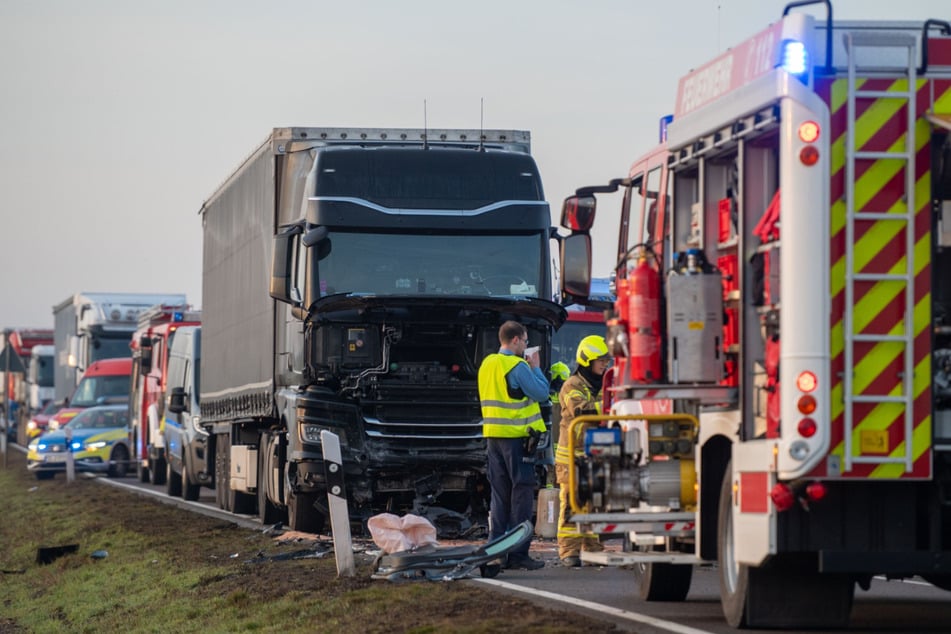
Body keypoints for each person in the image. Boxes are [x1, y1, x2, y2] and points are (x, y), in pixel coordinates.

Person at [478, 320, 550, 570]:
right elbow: (542, 393)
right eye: (526, 341)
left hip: (493, 438)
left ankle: (496, 549)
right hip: (516, 440)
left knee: (500, 496)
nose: (526, 346)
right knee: (521, 494)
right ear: (516, 340)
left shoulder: (487, 364)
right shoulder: (517, 365)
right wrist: (536, 368)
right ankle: (519, 554)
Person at [555, 335, 611, 567]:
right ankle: (569, 551)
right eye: (600, 360)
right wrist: (608, 406)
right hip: (571, 457)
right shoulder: (572, 385)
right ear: (587, 360)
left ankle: (592, 548)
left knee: (594, 501)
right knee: (571, 502)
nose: (605, 364)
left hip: (595, 454)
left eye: (606, 359)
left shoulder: (603, 385)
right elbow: (580, 410)